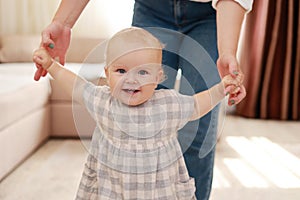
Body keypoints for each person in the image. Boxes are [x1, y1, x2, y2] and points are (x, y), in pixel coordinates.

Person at [34, 0, 251, 199]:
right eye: (121, 71)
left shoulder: (168, 104)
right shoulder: (102, 100)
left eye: (143, 73)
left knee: (199, 133)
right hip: (113, 191)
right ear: (106, 74)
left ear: (159, 77)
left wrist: (222, 87)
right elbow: (76, 85)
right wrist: (53, 61)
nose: (131, 80)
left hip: (208, 14)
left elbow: (197, 105)